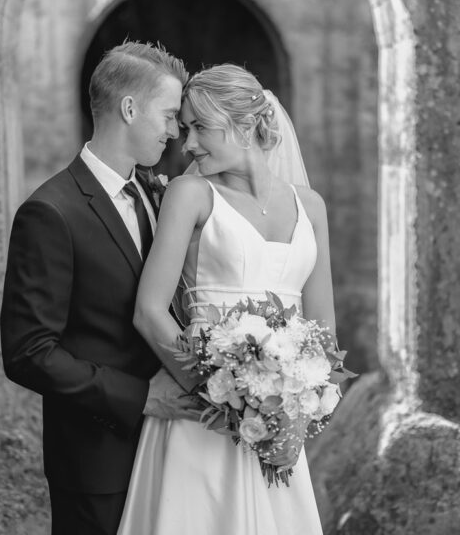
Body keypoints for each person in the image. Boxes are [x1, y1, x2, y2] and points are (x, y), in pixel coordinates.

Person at [117, 64, 335, 534]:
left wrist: (296, 405)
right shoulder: (190, 194)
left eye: (201, 128)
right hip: (203, 416)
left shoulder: (310, 207)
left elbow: (324, 333)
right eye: (185, 127)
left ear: (248, 124)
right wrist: (224, 397)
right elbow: (149, 311)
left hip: (276, 428)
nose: (188, 144)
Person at [0, 41, 203, 535]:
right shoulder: (50, 212)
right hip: (96, 462)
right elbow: (28, 352)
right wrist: (139, 397)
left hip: (171, 451)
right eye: (170, 115)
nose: (176, 132)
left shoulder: (159, 194)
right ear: (130, 109)